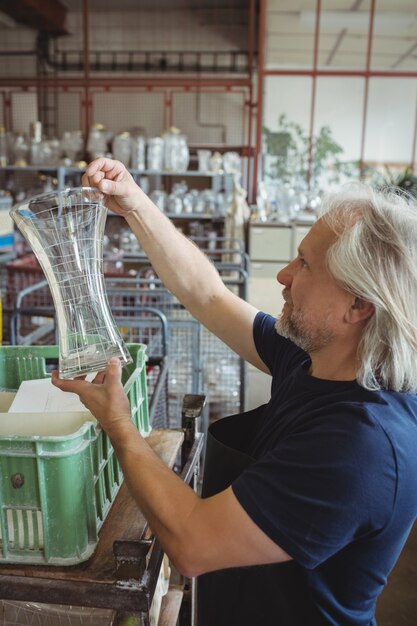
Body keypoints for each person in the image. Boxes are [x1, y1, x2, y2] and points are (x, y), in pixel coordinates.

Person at [52, 157, 417, 626]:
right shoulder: (315, 359)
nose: (284, 276)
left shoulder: (362, 446)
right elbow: (209, 296)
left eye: (304, 265)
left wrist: (119, 424)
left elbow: (193, 543)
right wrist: (135, 204)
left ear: (357, 306)